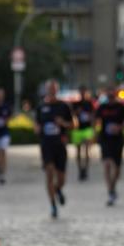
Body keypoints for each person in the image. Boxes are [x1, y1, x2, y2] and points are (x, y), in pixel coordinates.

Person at [35, 80, 73, 218]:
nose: (51, 91)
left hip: (60, 145)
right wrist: (37, 129)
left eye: (53, 89)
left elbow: (73, 124)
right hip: (46, 145)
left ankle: (58, 190)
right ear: (46, 90)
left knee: (61, 178)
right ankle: (53, 205)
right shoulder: (41, 107)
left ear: (57, 90)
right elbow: (37, 125)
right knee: (49, 173)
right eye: (49, 89)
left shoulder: (63, 106)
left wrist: (62, 123)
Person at [95, 86, 124, 206]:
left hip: (117, 140)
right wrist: (95, 130)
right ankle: (110, 191)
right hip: (105, 139)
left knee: (117, 168)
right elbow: (95, 119)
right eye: (108, 95)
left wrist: (120, 127)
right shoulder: (102, 107)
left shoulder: (121, 107)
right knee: (107, 164)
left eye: (112, 95)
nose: (110, 97)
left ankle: (113, 186)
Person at [71, 86, 95, 181]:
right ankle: (80, 169)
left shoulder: (89, 104)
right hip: (78, 130)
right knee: (78, 151)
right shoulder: (75, 104)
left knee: (87, 150)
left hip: (87, 129)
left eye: (84, 91)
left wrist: (93, 128)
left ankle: (86, 169)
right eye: (81, 91)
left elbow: (93, 116)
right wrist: (77, 112)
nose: (82, 93)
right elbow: (71, 115)